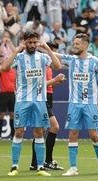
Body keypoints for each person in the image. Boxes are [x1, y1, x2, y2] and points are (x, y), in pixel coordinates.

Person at [3, 31, 61, 176]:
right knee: (19, 131)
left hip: (40, 100)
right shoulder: (19, 57)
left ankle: (40, 167)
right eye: (30, 42)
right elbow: (5, 67)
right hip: (22, 100)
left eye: (35, 42)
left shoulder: (42, 57)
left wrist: (47, 48)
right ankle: (14, 166)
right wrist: (16, 50)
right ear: (24, 42)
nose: (32, 45)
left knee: (39, 132)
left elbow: (57, 65)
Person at [55, 33, 98, 176]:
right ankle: (73, 168)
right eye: (74, 44)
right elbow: (58, 56)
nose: (74, 46)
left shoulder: (94, 62)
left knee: (93, 135)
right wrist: (43, 48)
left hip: (90, 104)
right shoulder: (72, 60)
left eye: (77, 44)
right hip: (74, 103)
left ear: (85, 45)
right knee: (73, 133)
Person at [30, 41, 66, 171]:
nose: (53, 54)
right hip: (41, 98)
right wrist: (55, 80)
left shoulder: (49, 65)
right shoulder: (41, 64)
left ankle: (36, 162)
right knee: (54, 127)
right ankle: (46, 161)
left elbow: (48, 84)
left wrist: (56, 82)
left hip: (48, 96)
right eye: (51, 51)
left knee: (42, 130)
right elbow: (39, 84)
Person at [0, 54, 16, 139]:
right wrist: (3, 63)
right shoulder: (1, 69)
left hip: (12, 94)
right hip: (3, 94)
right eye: (1, 59)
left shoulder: (13, 71)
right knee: (1, 114)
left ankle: (13, 135)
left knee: (12, 114)